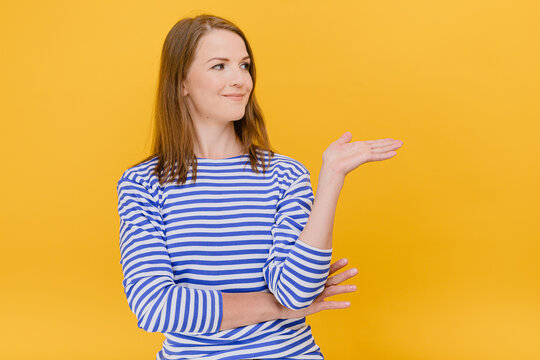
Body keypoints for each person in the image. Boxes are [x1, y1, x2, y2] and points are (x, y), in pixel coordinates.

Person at [116, 14, 403, 360]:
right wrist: (275, 308)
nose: (240, 80)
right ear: (181, 83)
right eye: (219, 66)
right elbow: (155, 307)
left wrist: (330, 179)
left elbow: (297, 293)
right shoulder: (143, 184)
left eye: (244, 65)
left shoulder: (286, 175)